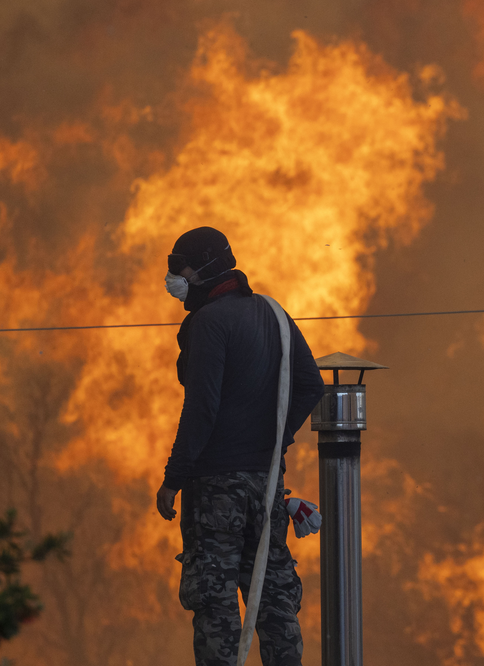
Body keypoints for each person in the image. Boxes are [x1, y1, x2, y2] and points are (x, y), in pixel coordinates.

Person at [154, 227, 325, 666]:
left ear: (207, 267)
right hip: (266, 485)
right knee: (274, 600)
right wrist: (274, 441)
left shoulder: (208, 324)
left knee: (216, 607)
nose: (174, 277)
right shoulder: (274, 313)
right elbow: (310, 385)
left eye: (179, 267)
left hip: (214, 489)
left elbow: (202, 408)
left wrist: (173, 479)